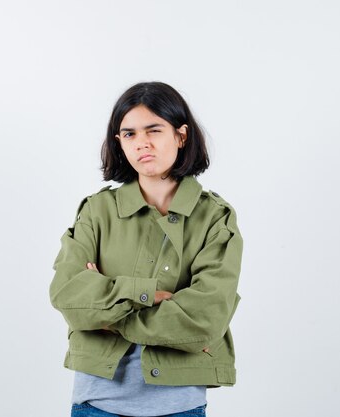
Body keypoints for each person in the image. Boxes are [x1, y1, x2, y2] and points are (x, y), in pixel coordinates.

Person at [49, 81, 244, 417]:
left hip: (180, 406)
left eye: (153, 130)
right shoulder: (97, 211)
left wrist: (107, 313)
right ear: (119, 142)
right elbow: (68, 296)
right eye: (129, 134)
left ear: (181, 136)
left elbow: (203, 320)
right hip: (96, 403)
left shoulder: (215, 218)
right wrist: (149, 295)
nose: (142, 143)